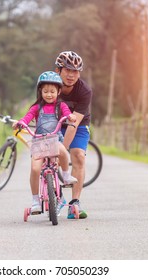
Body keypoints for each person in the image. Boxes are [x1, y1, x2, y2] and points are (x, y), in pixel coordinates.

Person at [12, 71, 77, 215]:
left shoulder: (61, 106)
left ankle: (65, 176)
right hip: (39, 141)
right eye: (46, 91)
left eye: (52, 91)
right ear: (40, 91)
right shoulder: (36, 107)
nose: (49, 94)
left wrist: (70, 116)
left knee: (63, 152)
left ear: (59, 91)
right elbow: (27, 117)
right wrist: (21, 123)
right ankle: (35, 201)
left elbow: (67, 113)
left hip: (54, 139)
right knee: (35, 169)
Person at [54, 50, 92, 219]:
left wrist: (62, 149)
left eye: (75, 71)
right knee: (48, 158)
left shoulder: (84, 91)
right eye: (67, 70)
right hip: (54, 124)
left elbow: (73, 123)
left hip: (78, 125)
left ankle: (74, 203)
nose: (71, 75)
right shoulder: (47, 85)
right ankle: (51, 194)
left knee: (78, 156)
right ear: (58, 71)